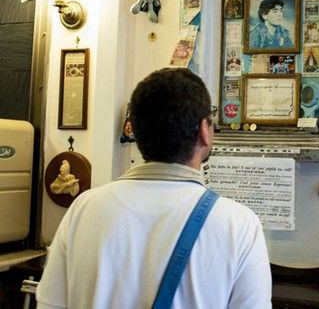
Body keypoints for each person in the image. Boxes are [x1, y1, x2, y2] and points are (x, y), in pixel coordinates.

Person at [37, 68, 272, 309]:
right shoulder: (239, 225)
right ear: (204, 130)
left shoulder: (83, 209)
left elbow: (49, 304)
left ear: (136, 131)